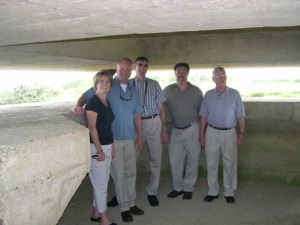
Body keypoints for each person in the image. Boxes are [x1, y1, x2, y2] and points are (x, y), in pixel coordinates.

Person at [75, 58, 144, 223]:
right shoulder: (106, 85)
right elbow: (86, 97)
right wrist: (78, 106)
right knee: (118, 174)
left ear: (131, 71)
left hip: (129, 137)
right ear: (117, 69)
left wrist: (140, 134)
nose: (125, 72)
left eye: (128, 70)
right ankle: (124, 207)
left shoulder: (134, 91)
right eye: (122, 69)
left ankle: (131, 202)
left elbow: (137, 114)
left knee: (130, 172)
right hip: (113, 139)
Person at [199, 66, 245, 204]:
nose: (221, 78)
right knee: (211, 162)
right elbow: (203, 116)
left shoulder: (235, 94)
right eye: (217, 76)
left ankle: (229, 191)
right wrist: (202, 133)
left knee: (229, 162)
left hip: (229, 133)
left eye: (223, 75)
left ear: (226, 77)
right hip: (211, 132)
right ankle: (212, 191)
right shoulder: (208, 95)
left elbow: (240, 115)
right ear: (213, 78)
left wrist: (241, 133)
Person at [129, 56, 168, 206]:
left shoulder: (154, 84)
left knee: (156, 159)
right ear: (135, 66)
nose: (143, 68)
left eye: (146, 65)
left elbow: (162, 110)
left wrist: (164, 129)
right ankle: (127, 192)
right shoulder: (127, 84)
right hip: (135, 123)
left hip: (153, 122)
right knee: (131, 159)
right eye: (140, 65)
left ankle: (152, 191)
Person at [163, 62, 203, 200]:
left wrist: (202, 132)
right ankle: (177, 187)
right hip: (176, 130)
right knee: (175, 160)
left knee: (193, 159)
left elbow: (203, 113)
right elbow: (158, 106)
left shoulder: (196, 91)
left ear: (187, 73)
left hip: (193, 128)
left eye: (183, 71)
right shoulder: (167, 90)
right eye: (178, 72)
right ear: (175, 73)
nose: (180, 74)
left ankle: (188, 188)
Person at [85, 70, 117, 225]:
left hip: (107, 146)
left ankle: (95, 212)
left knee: (101, 182)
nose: (105, 85)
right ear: (96, 84)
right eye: (101, 82)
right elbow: (92, 128)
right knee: (101, 184)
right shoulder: (93, 102)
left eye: (107, 82)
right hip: (97, 148)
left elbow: (107, 126)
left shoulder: (105, 101)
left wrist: (111, 146)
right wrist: (99, 150)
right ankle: (104, 218)